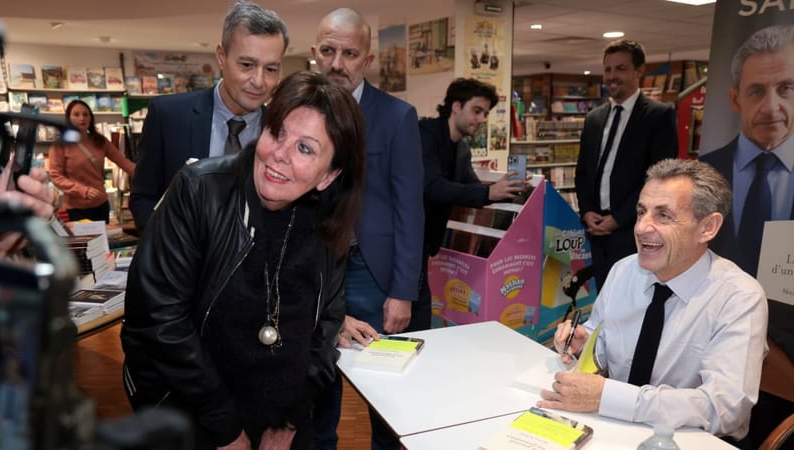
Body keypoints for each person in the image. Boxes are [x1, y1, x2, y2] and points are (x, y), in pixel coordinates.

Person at [120, 71, 365, 450]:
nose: (279, 154)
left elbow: (326, 324)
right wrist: (225, 428)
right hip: (193, 411)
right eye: (277, 132)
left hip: (283, 419)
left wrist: (289, 419)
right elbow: (158, 320)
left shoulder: (328, 223)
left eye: (305, 148)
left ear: (328, 176)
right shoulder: (198, 190)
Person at [540, 159, 768, 444]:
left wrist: (609, 397)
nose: (641, 228)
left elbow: (724, 408)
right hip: (610, 427)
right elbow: (602, 340)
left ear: (707, 227)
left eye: (663, 216)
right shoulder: (624, 271)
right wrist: (585, 344)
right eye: (641, 212)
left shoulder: (739, 297)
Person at [309, 8, 424, 450]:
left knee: (385, 398)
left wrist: (402, 290)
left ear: (368, 58)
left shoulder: (397, 117)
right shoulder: (301, 113)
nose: (338, 63)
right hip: (317, 270)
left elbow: (409, 210)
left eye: (350, 53)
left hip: (372, 274)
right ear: (315, 52)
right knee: (318, 393)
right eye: (328, 50)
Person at [129, 0, 288, 234]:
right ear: (221, 56)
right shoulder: (168, 116)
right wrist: (168, 250)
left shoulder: (282, 131)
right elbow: (143, 198)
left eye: (271, 69)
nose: (259, 81)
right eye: (246, 65)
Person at [418, 77, 526, 328]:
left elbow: (470, 187)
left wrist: (508, 187)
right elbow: (432, 186)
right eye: (476, 111)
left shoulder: (461, 149)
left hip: (425, 243)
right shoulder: (424, 136)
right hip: (405, 242)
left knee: (421, 312)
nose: (481, 119)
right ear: (456, 106)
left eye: (485, 114)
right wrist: (489, 193)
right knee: (411, 313)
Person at [574, 39, 678, 292]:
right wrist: (587, 211)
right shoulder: (594, 118)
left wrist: (619, 218)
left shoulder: (658, 115)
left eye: (620, 68)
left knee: (631, 298)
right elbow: (583, 172)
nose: (611, 76)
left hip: (635, 230)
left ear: (639, 70)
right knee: (602, 296)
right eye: (607, 69)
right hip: (595, 230)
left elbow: (659, 179)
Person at [699, 24, 794, 277]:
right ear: (735, 98)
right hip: (718, 307)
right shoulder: (704, 171)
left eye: (786, 88)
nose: (771, 107)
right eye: (756, 91)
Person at [48, 99, 134, 223]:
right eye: (76, 114)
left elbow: (124, 162)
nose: (82, 118)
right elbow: (56, 177)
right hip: (76, 209)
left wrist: (147, 175)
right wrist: (83, 191)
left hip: (101, 206)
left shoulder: (100, 141)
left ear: (91, 118)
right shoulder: (59, 146)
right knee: (82, 242)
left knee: (102, 241)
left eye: (86, 114)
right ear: (68, 118)